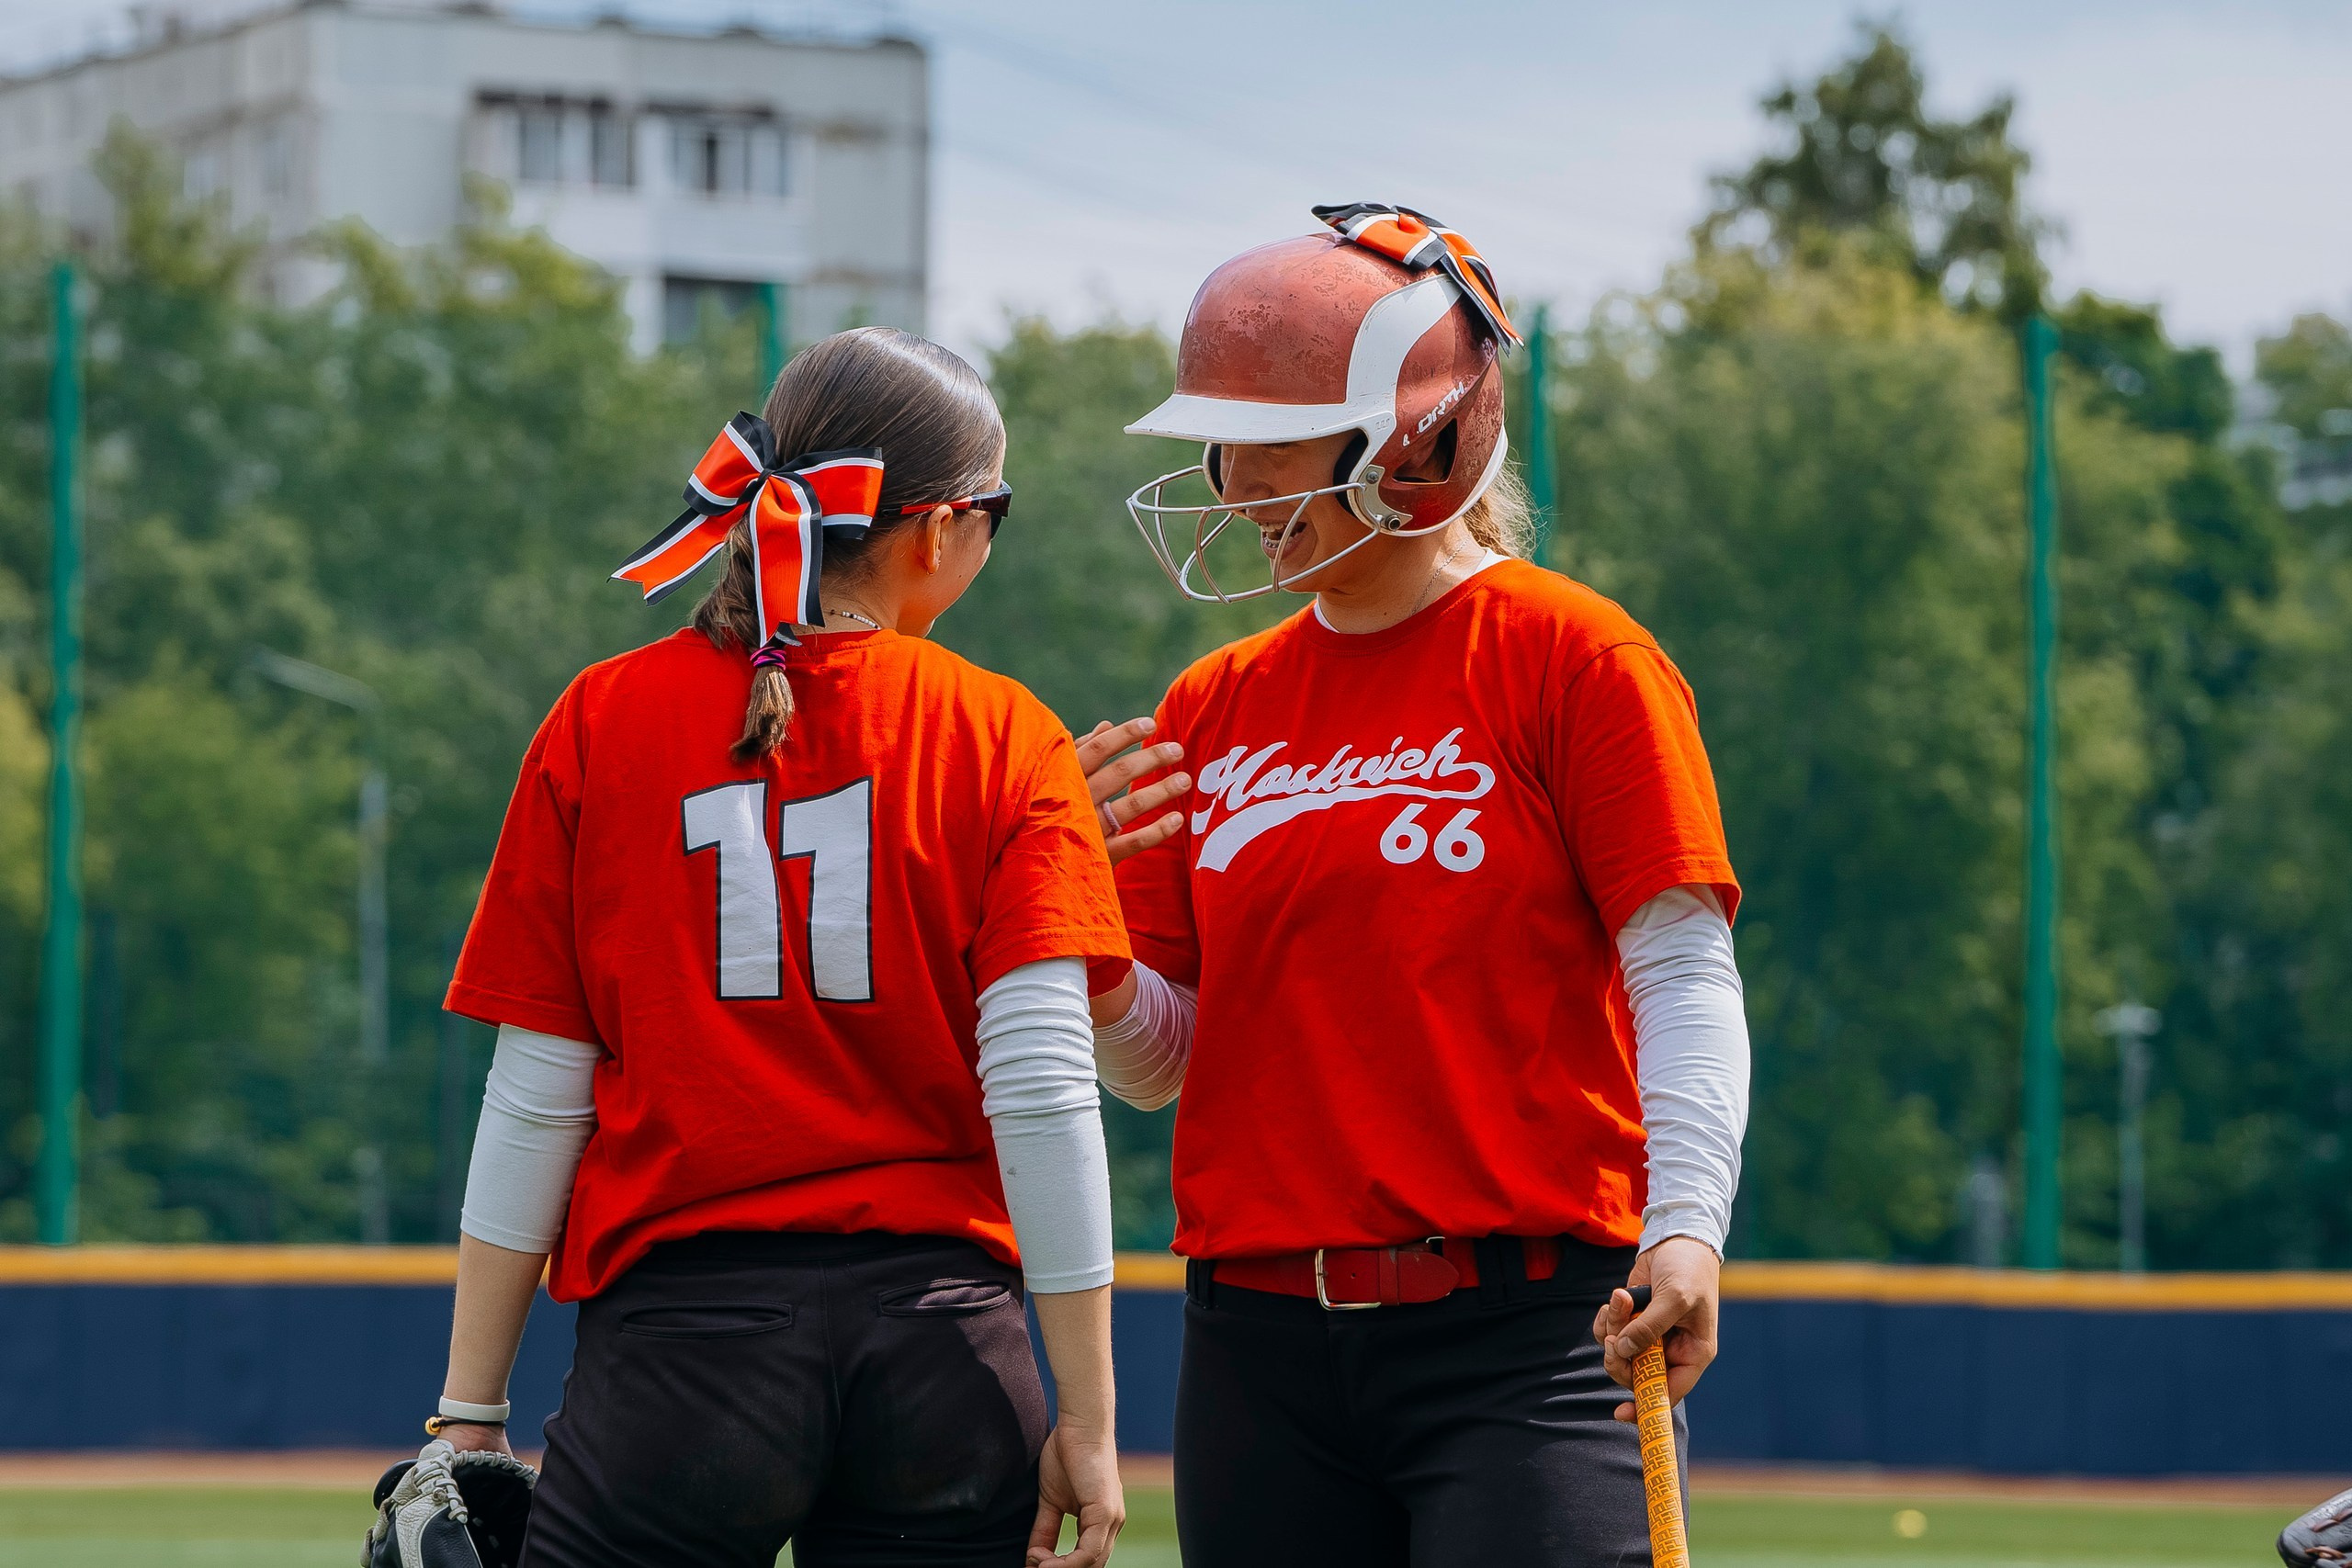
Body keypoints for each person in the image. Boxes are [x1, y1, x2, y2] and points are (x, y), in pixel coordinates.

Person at [1080, 204, 1753, 1567]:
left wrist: (1689, 1229)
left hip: (1527, 1337)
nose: (1232, 483)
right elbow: (1168, 1064)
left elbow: (1681, 972)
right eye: (1225, 441)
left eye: (1273, 441)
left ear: (1417, 447)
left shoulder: (1575, 657)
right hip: (1255, 1346)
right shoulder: (1208, 706)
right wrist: (1079, 928)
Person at [432, 328, 1129, 1568]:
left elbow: (538, 1098)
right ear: (937, 528)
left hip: (682, 1354)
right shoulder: (1007, 734)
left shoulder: (599, 721)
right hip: (944, 1352)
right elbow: (1040, 1092)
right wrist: (1087, 1413)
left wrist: (469, 1413)